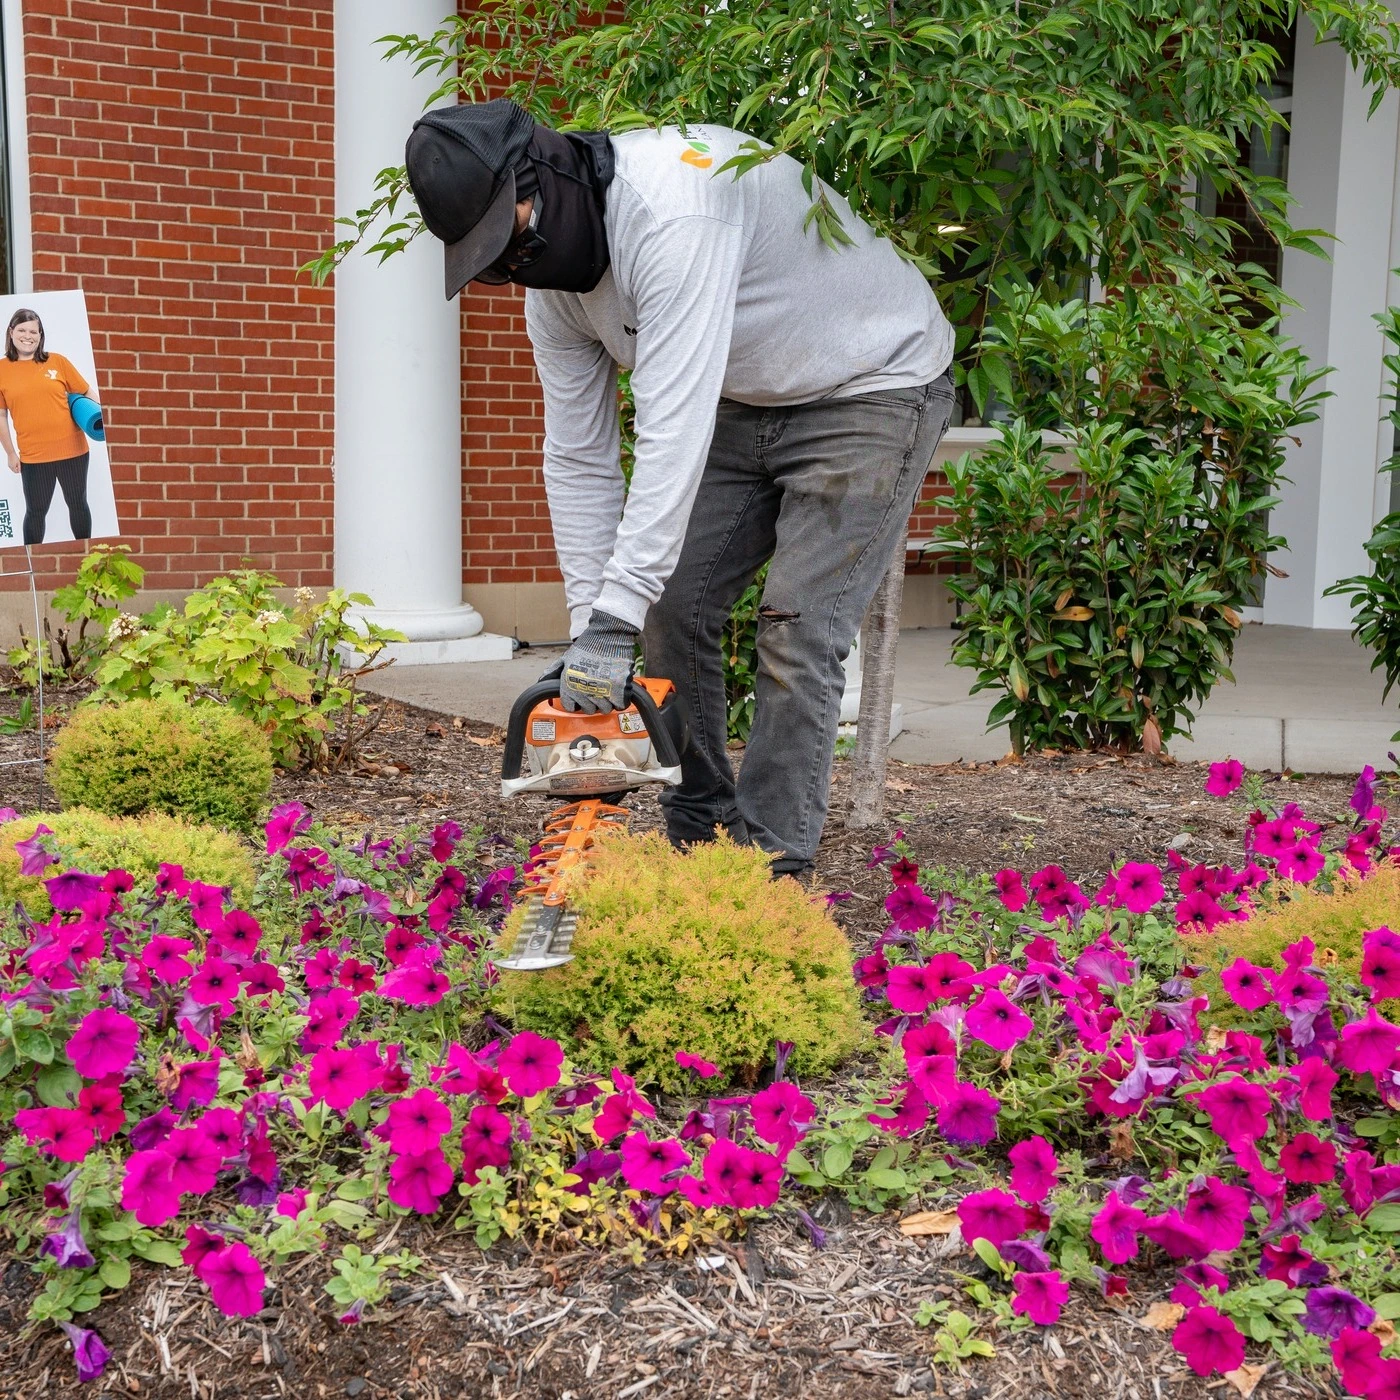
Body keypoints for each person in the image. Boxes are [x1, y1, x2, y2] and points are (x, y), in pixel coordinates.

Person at [405, 100, 956, 877]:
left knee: (798, 630)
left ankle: (768, 875)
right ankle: (701, 835)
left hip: (871, 382)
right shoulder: (553, 293)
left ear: (547, 176)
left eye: (514, 240)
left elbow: (671, 430)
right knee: (667, 605)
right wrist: (592, 630)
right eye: (492, 260)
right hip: (749, 389)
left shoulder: (675, 212)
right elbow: (577, 455)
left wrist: (612, 619)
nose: (514, 269)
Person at [0, 309, 97, 545]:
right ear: (11, 332)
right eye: (22, 330)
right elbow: (1, 415)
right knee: (35, 512)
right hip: (33, 457)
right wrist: (10, 452)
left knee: (78, 504)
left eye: (34, 331)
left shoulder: (58, 361)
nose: (28, 336)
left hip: (73, 452)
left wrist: (101, 420)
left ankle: (87, 556)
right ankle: (31, 560)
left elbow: (87, 392)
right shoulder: (1, 369)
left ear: (40, 335)